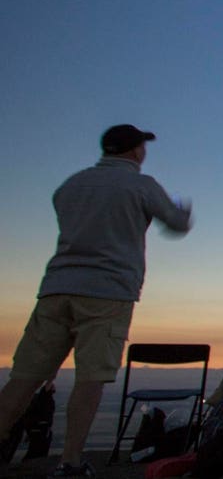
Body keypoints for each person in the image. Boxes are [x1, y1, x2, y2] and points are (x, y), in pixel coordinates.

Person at [0, 124, 193, 478]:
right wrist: (183, 209)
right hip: (108, 293)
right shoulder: (140, 185)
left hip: (56, 288)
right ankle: (70, 462)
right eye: (142, 147)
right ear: (136, 151)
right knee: (91, 378)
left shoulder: (71, 186)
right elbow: (176, 223)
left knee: (25, 377)